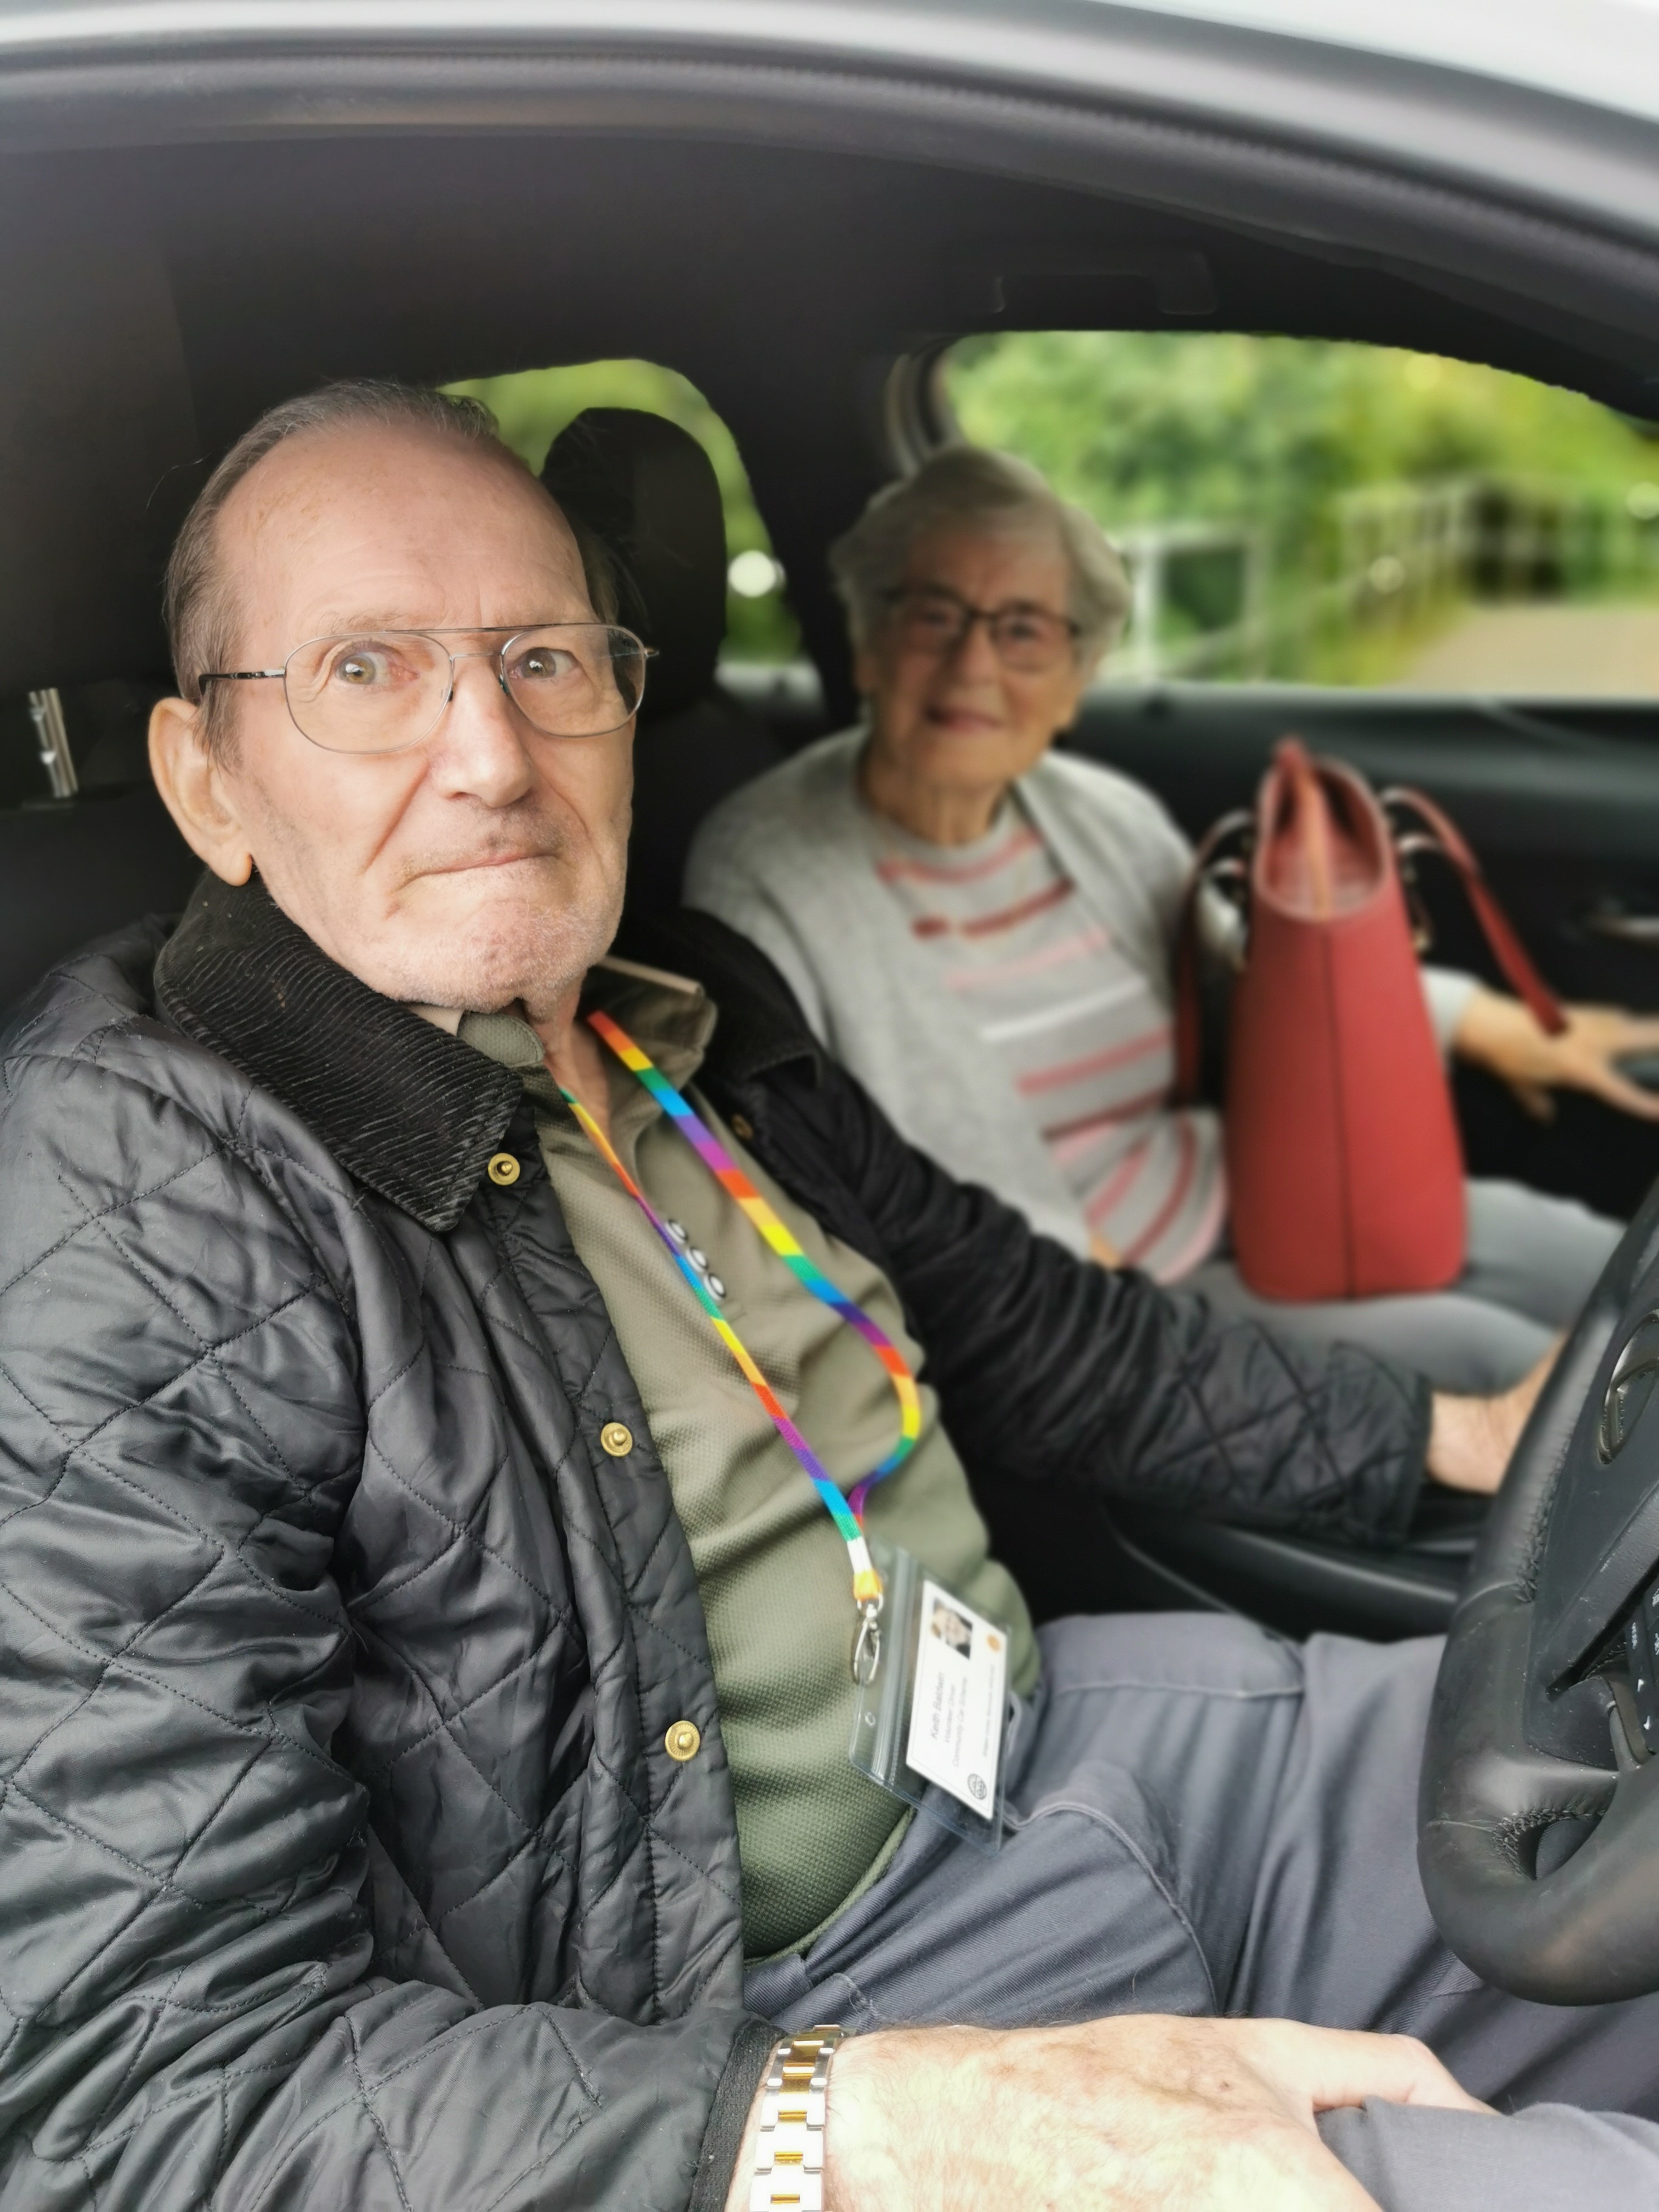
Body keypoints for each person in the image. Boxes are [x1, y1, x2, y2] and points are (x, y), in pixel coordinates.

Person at [2, 380, 1655, 2212]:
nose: (487, 753)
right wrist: (850, 2128)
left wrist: (1463, 1428)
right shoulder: (133, 1194)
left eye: (547, 659)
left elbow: (1036, 1331)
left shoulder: (687, 1007)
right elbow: (141, 2095)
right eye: (368, 672)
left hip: (1086, 1744)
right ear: (205, 780)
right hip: (754, 2040)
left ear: (626, 705)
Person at [684, 446, 1659, 1395]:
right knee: (1526, 1371)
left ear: (1076, 679)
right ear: (865, 640)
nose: (974, 662)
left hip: (1264, 1194)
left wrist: (1491, 1025)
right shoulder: (765, 864)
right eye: (933, 615)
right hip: (1106, 1305)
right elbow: (805, 1184)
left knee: (1612, 1264)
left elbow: (1262, 996)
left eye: (1025, 629)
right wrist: (1087, 1286)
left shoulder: (1099, 813)